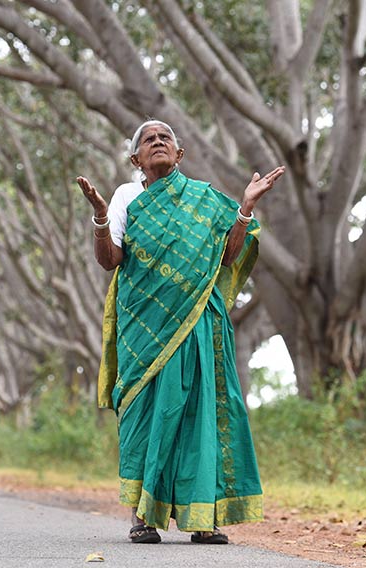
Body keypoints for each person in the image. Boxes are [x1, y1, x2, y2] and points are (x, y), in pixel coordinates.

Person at [76, 120, 284, 545]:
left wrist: (244, 209)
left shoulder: (205, 200)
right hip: (142, 329)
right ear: (136, 159)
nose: (157, 142)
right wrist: (100, 217)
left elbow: (227, 257)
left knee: (198, 413)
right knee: (144, 415)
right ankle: (142, 517)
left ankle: (202, 516)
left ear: (179, 154)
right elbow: (109, 259)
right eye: (147, 140)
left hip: (199, 326)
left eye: (165, 137)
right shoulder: (127, 197)